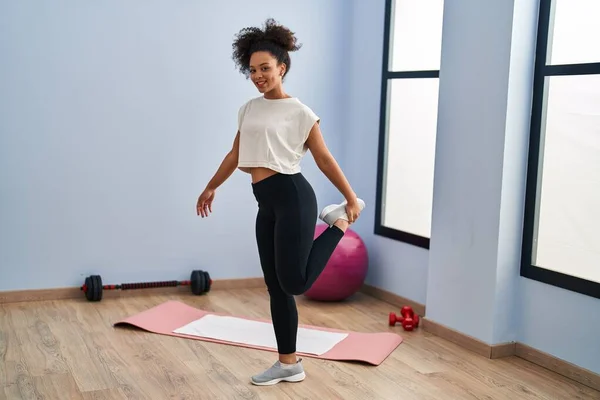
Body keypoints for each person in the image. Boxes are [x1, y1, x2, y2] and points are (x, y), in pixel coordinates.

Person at [195, 18, 365, 386]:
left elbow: (323, 158)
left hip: (293, 197)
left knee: (295, 284)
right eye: (253, 70)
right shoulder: (249, 109)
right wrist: (212, 186)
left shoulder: (300, 112)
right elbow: (235, 153)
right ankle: (289, 363)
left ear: (282, 68)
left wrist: (350, 198)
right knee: (276, 288)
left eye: (266, 69)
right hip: (266, 204)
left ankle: (338, 223)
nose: (258, 76)